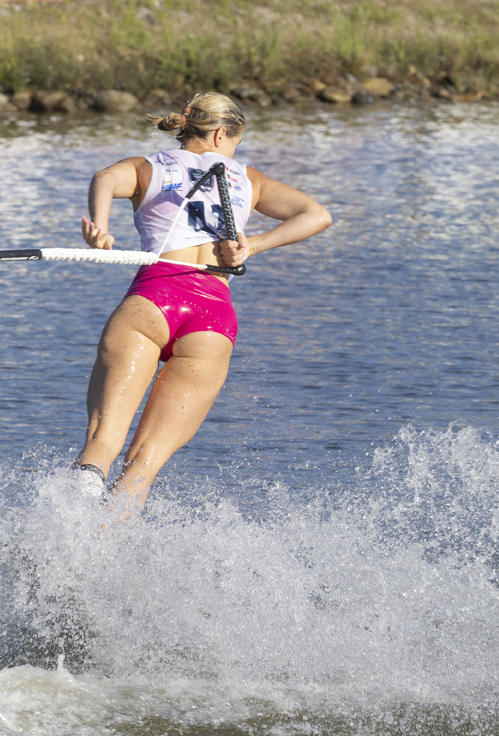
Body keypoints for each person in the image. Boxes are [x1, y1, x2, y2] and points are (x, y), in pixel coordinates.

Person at [75, 91, 331, 507]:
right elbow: (318, 214)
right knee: (140, 470)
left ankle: (58, 538)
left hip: (154, 299)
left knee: (101, 445)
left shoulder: (147, 167)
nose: (234, 154)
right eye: (235, 143)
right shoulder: (249, 179)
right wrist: (254, 247)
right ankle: (101, 560)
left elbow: (104, 177)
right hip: (212, 319)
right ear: (220, 135)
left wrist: (100, 230)